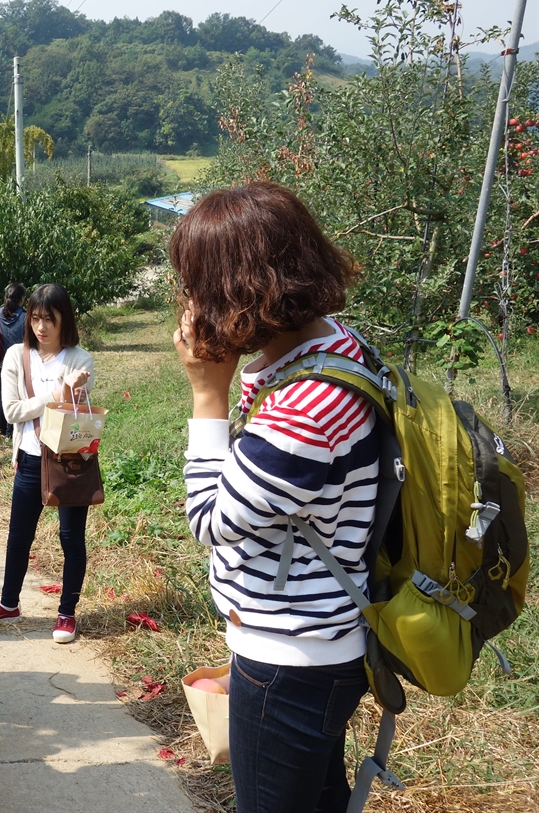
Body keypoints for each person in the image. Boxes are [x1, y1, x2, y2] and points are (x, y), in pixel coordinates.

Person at [171, 181, 376, 813]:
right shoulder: (332, 346)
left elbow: (211, 519)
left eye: (197, 283)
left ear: (235, 290)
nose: (188, 301)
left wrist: (207, 393)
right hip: (308, 640)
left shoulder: (305, 408)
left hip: (293, 655)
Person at [0, 284, 94, 644]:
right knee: (18, 536)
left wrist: (65, 396)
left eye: (49, 319)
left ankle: (67, 612)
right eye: (36, 318)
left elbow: (76, 416)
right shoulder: (16, 355)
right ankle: (10, 603)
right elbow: (11, 412)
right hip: (29, 458)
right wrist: (58, 393)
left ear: (65, 321)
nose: (41, 327)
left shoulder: (80, 360)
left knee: (71, 537)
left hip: (68, 460)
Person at [0, 283, 27, 438]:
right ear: (22, 298)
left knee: (3, 396)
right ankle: (12, 430)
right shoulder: (25, 317)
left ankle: (3, 431)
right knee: (18, 396)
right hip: (20, 363)